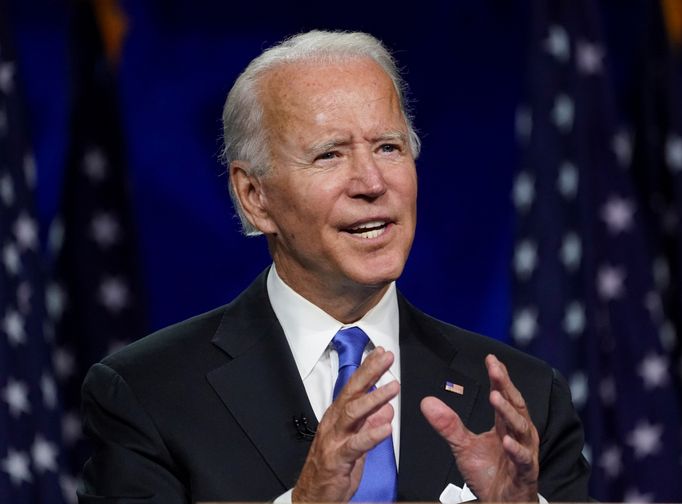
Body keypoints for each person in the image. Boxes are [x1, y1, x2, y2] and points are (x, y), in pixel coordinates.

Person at [79, 30, 590, 503]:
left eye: (388, 147)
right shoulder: (148, 395)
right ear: (254, 196)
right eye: (330, 155)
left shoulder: (526, 398)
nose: (371, 182)